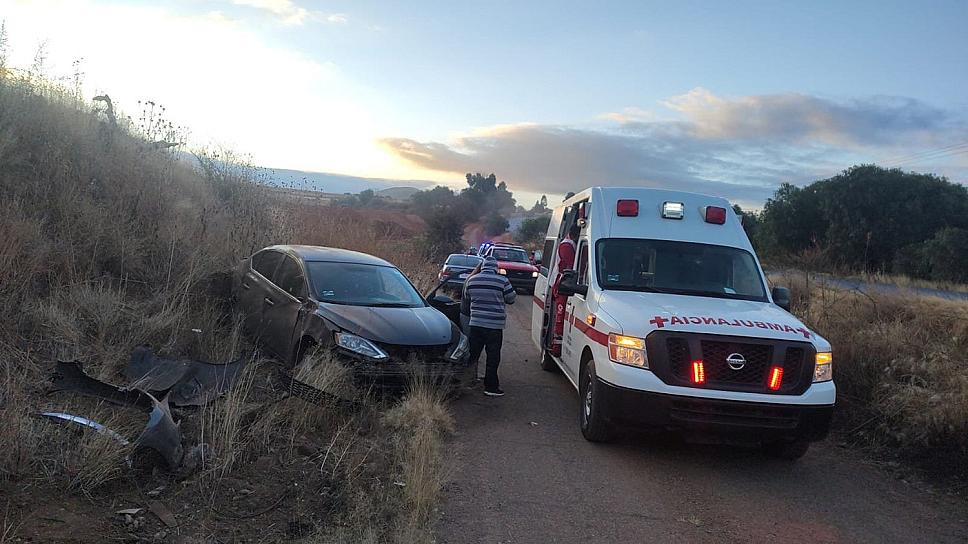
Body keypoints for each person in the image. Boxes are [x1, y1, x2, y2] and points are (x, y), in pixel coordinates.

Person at [463, 256, 516, 396]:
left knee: (473, 354)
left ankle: (467, 382)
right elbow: (511, 299)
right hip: (494, 326)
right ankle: (491, 387)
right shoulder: (502, 281)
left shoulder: (471, 280)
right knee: (493, 356)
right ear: (495, 268)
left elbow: (467, 298)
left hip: (475, 324)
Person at [550, 224, 580, 356]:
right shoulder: (567, 246)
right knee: (560, 318)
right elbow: (572, 265)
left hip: (565, 283)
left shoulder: (569, 244)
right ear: (575, 235)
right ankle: (557, 348)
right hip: (563, 285)